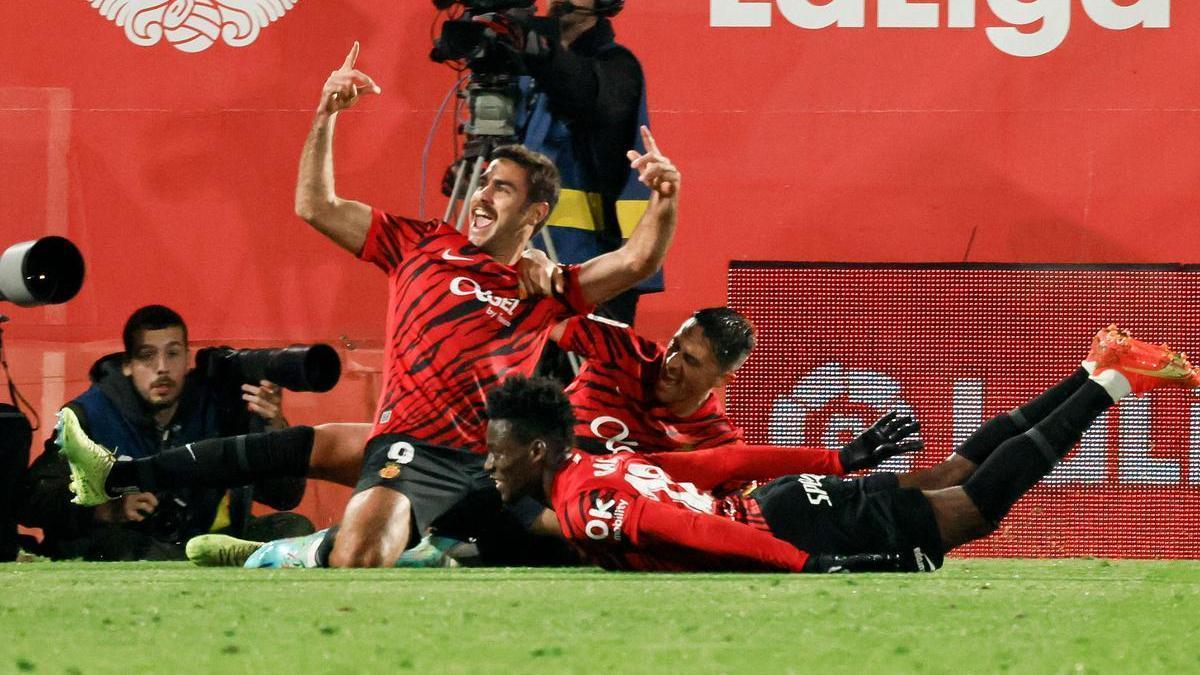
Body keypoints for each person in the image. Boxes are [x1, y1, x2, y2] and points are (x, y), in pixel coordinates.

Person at [58, 42, 680, 569]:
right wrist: (326, 113)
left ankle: (297, 550)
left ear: (536, 213)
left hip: (492, 463)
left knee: (573, 549)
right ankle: (132, 483)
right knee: (359, 550)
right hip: (412, 448)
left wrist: (664, 197)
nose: (483, 194)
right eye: (483, 181)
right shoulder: (422, 243)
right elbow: (316, 205)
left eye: (502, 188)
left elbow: (635, 263)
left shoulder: (544, 286)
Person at [482, 325, 1200, 572]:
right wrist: (831, 461)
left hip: (793, 525)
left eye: (499, 451)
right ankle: (1094, 368)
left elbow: (694, 526)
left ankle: (1110, 382)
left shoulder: (584, 504)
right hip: (785, 504)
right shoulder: (604, 461)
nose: (491, 463)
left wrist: (807, 563)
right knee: (951, 477)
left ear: (540, 449)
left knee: (973, 506)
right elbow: (717, 467)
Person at [18, 305, 311, 561]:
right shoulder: (91, 415)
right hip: (127, 546)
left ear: (187, 358)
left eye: (172, 354)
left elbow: (283, 497)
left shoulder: (218, 408)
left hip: (205, 541)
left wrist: (273, 428)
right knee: (119, 546)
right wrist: (106, 508)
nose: (162, 368)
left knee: (293, 529)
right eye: (148, 356)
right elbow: (32, 501)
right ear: (129, 366)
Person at [519, 0, 657, 325]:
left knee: (592, 377)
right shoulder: (527, 70)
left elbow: (581, 90)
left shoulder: (617, 67)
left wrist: (541, 51)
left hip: (599, 269)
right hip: (522, 260)